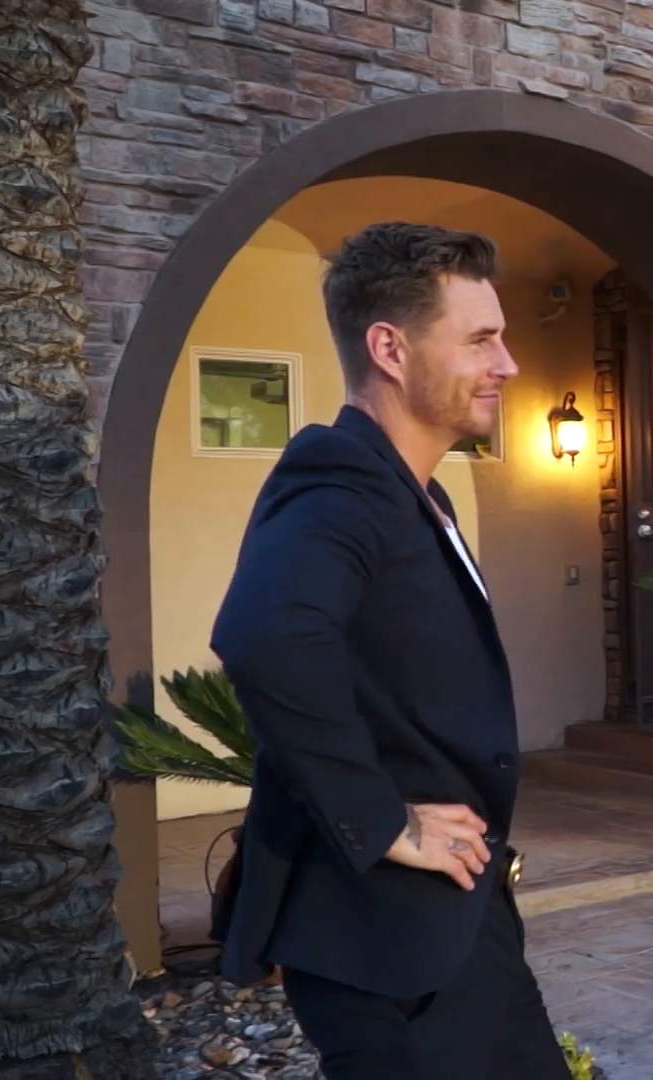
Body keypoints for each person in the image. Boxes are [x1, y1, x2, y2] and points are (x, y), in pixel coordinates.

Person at [208, 222, 569, 1079]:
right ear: (390, 349)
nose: (508, 363)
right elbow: (266, 636)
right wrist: (383, 822)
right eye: (480, 339)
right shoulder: (338, 479)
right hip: (387, 945)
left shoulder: (419, 495)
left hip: (450, 925)